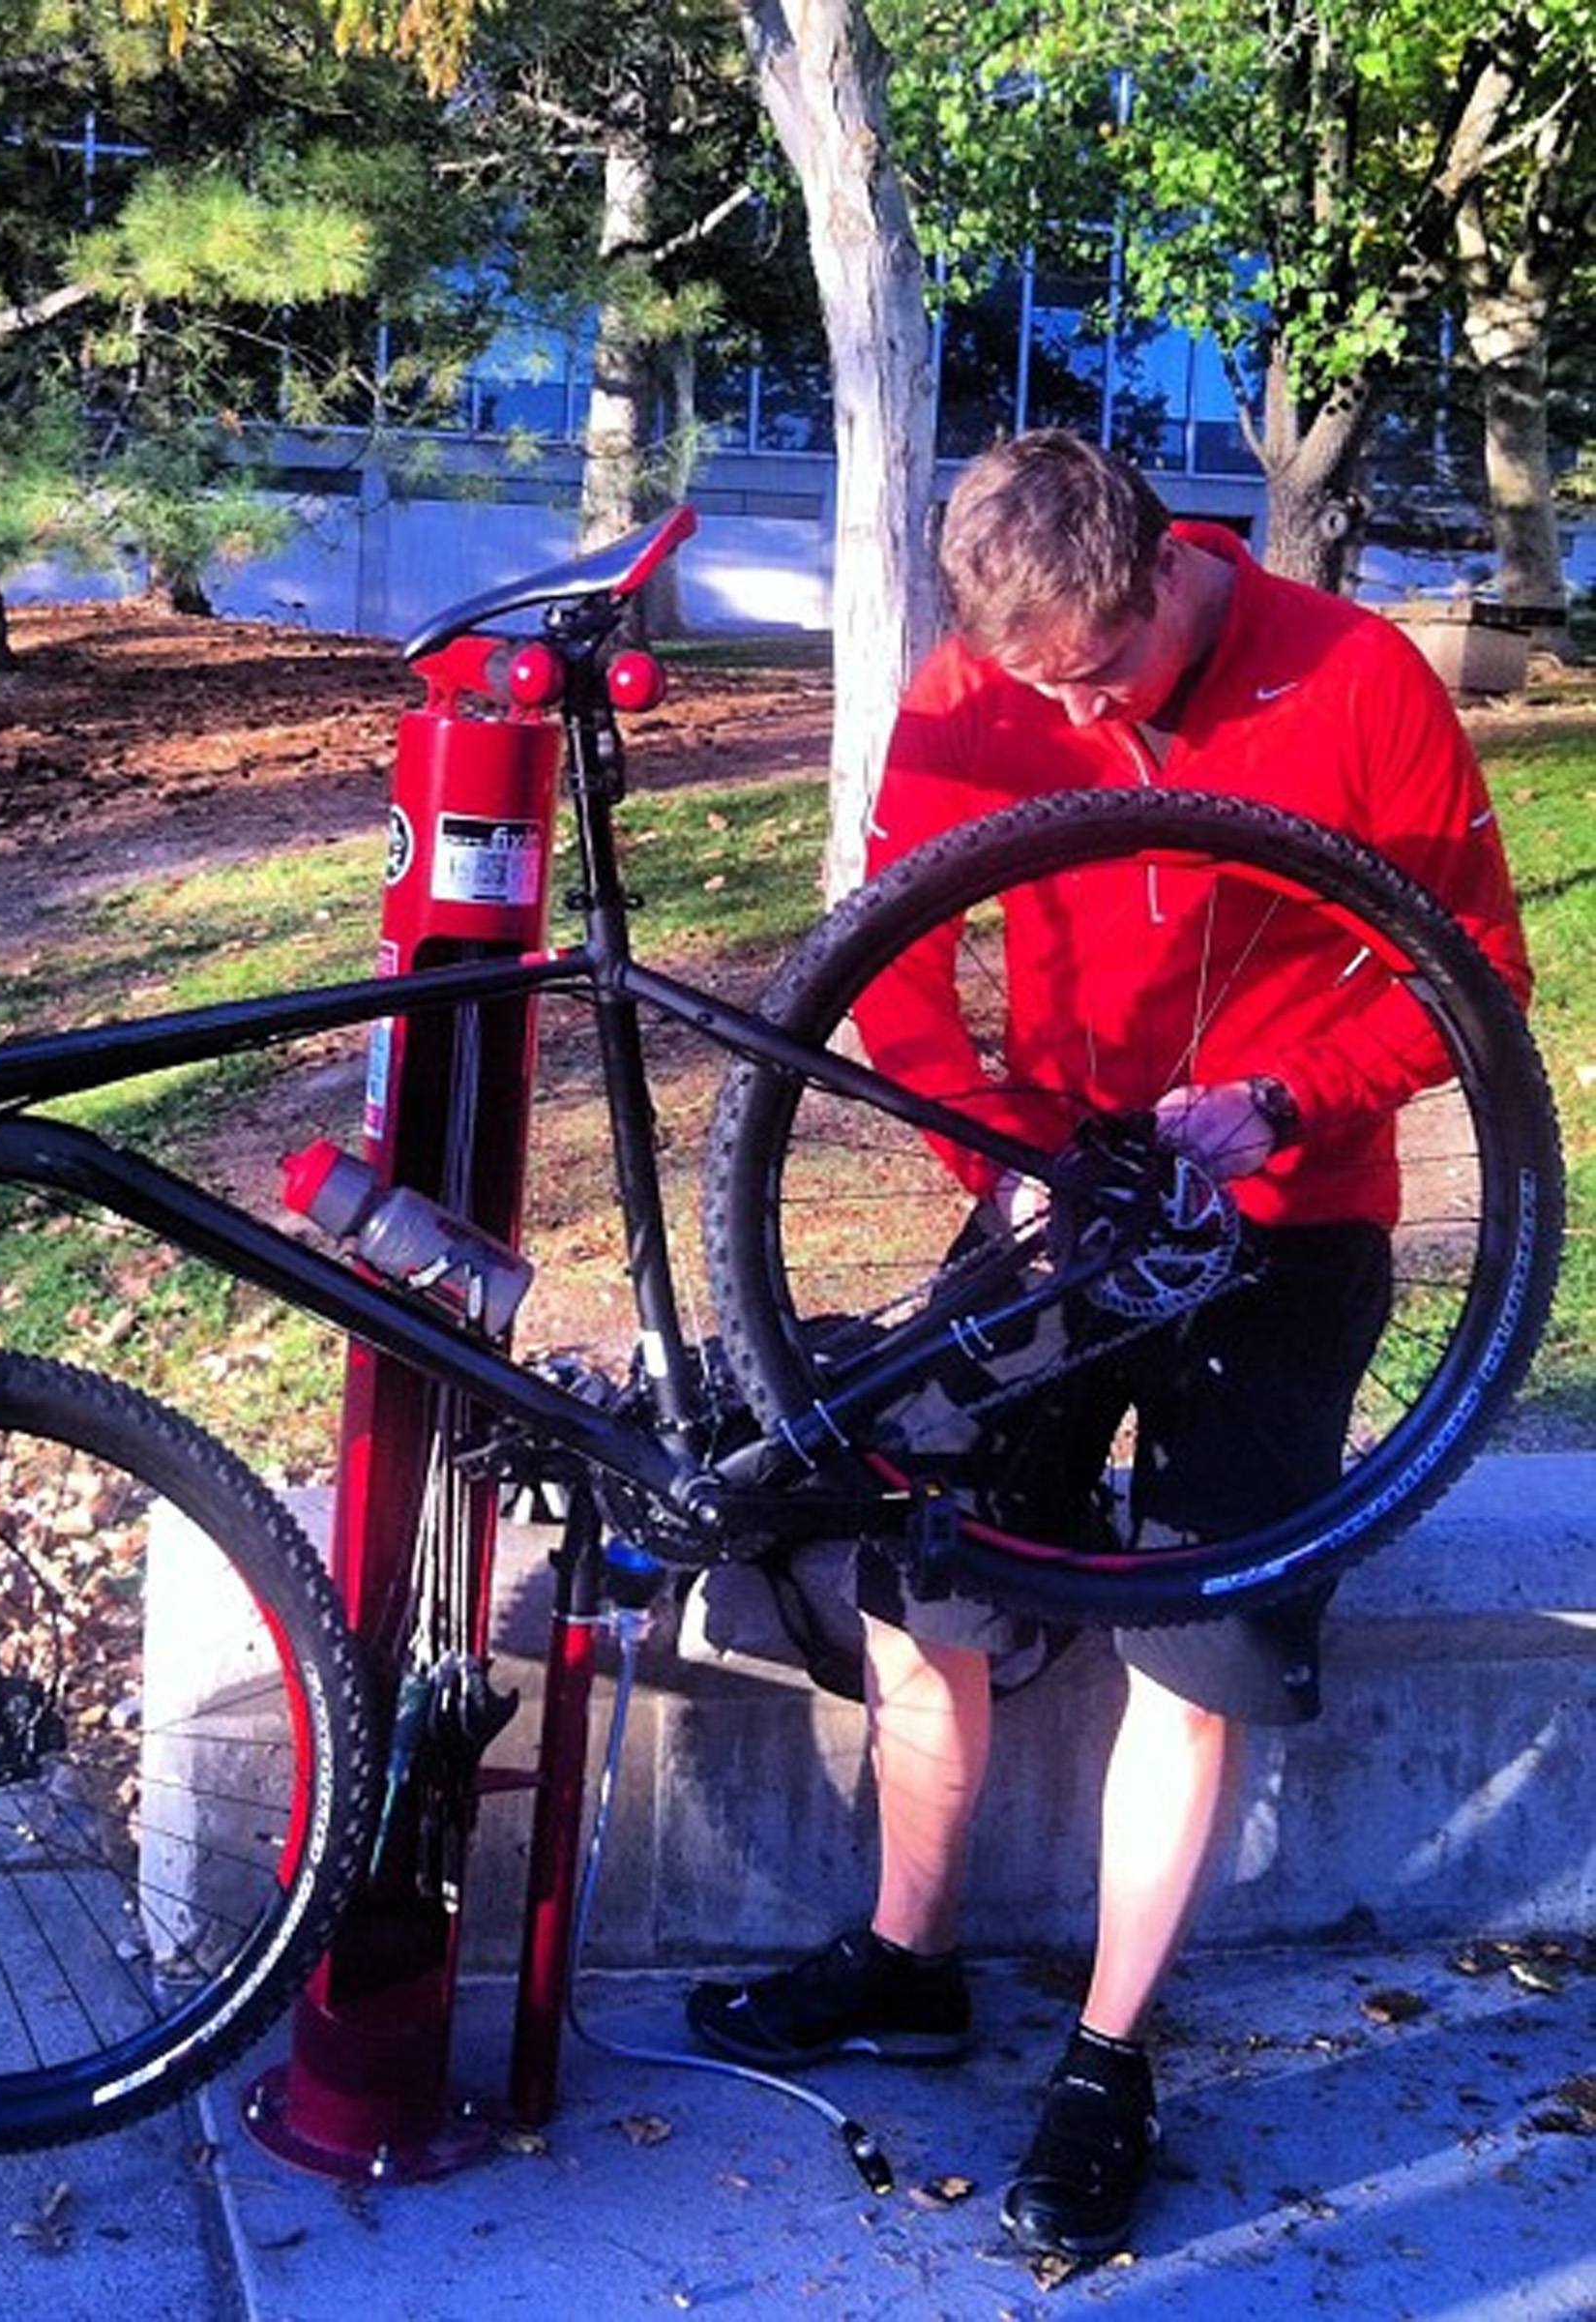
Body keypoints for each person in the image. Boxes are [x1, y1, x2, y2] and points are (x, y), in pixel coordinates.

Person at [686, 430, 1531, 2260]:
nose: (1073, 707)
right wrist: (981, 1153)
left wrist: (1284, 1099)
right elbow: (889, 966)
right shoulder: (974, 684)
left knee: (1187, 1643)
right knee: (933, 1583)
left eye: (1103, 674)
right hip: (1050, 1195)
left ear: (1165, 567)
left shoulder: (1355, 677)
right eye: (1037, 685)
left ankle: (1105, 2053)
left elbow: (1477, 981)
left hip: (1284, 1224)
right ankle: (910, 1957)